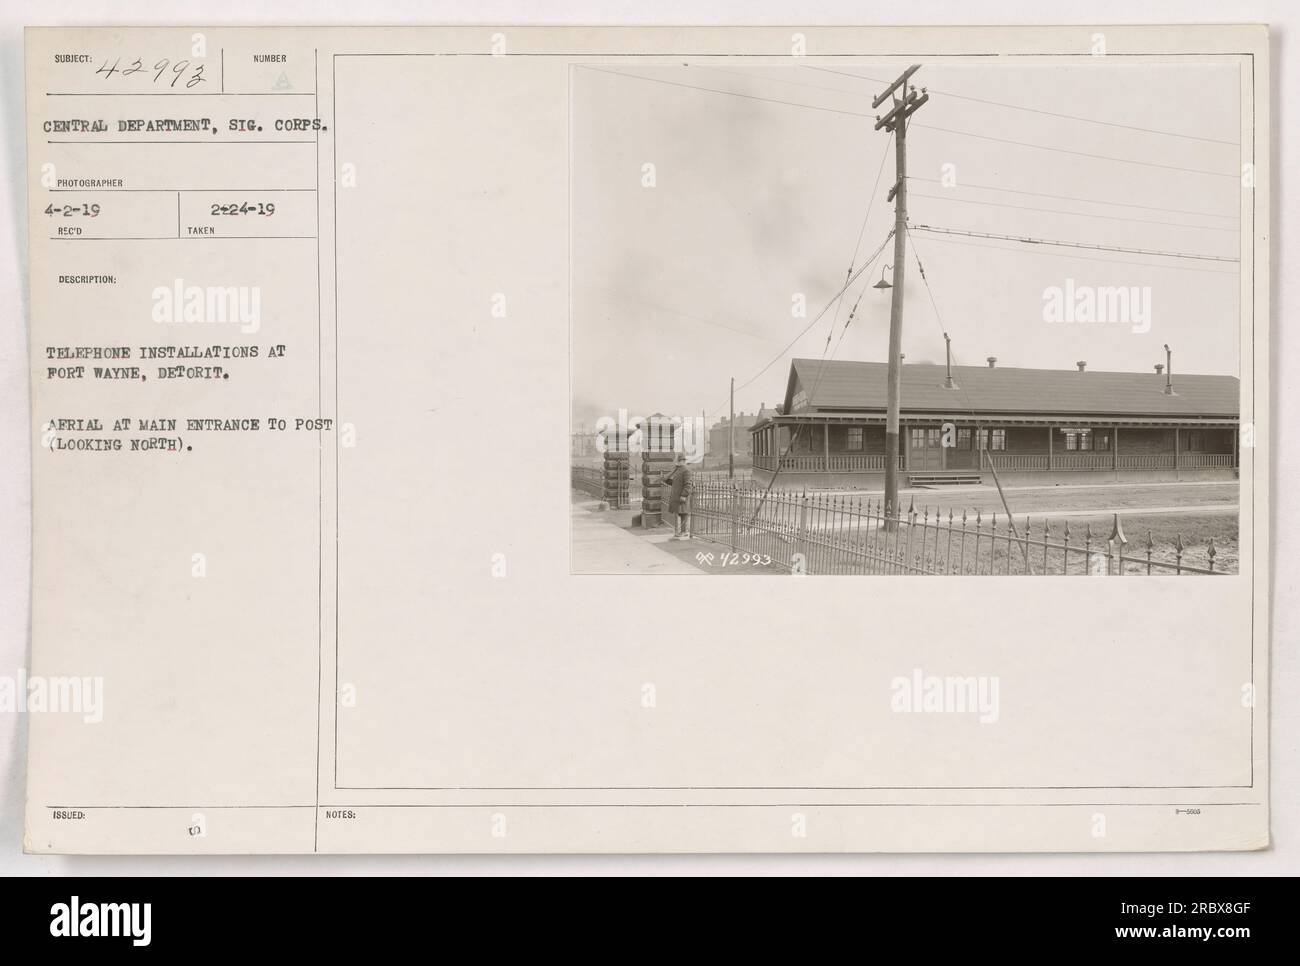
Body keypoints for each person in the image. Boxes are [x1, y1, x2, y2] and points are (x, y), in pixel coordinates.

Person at [665, 452, 693, 540]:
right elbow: (674, 482)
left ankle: (684, 532)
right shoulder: (678, 470)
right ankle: (679, 532)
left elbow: (688, 484)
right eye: (679, 460)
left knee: (683, 513)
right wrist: (668, 478)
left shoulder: (686, 470)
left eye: (680, 461)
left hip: (681, 496)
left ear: (682, 461)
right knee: (679, 513)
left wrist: (684, 495)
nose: (678, 462)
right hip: (676, 496)